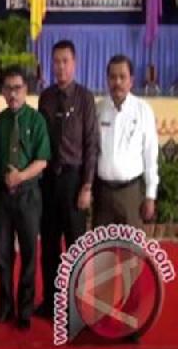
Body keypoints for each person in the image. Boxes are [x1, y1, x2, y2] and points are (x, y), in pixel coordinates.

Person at [36, 40, 99, 320]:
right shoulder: (46, 97)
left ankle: (75, 307)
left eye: (65, 61)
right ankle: (50, 302)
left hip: (74, 181)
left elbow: (91, 144)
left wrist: (87, 186)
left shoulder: (85, 98)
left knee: (75, 246)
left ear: (74, 63)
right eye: (56, 61)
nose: (60, 67)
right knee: (49, 245)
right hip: (49, 180)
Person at [0, 66, 50, 331]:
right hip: (4, 197)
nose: (13, 94)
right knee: (3, 255)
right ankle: (5, 307)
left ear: (26, 90)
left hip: (28, 196)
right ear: (3, 92)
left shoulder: (36, 120)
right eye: (8, 89)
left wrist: (21, 176)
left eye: (17, 88)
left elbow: (42, 160)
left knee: (28, 254)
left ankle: (24, 311)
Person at [94, 54, 158, 229]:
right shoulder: (98, 109)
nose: (117, 82)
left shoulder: (143, 110)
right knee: (102, 245)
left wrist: (150, 196)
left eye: (122, 77)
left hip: (131, 193)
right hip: (103, 193)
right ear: (107, 80)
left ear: (131, 80)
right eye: (113, 77)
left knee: (130, 245)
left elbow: (150, 156)